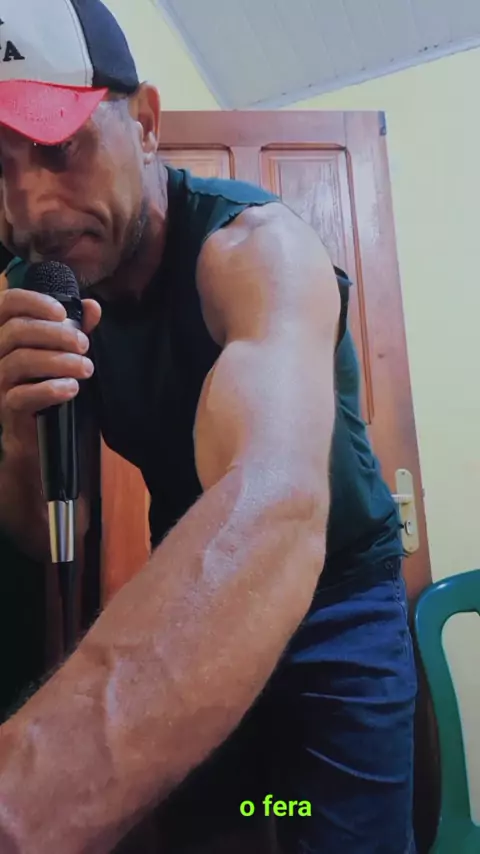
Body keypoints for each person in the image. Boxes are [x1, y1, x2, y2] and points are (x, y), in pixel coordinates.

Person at [0, 0, 418, 852]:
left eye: (58, 146)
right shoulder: (44, 286)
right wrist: (16, 425)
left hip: (336, 598)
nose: (29, 206)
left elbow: (272, 506)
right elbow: (51, 536)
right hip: (192, 589)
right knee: (227, 832)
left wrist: (22, 801)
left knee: (340, 838)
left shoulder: (256, 248)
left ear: (146, 123)